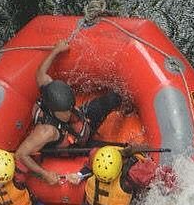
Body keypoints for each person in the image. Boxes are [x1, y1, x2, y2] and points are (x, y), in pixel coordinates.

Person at [15, 40, 122, 185]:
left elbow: (40, 72)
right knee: (118, 152)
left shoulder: (48, 88)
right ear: (53, 111)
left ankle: (123, 107)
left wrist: (56, 50)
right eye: (65, 112)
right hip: (79, 145)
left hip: (84, 120)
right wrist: (44, 174)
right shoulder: (46, 131)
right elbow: (21, 154)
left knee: (114, 98)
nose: (69, 112)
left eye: (70, 108)